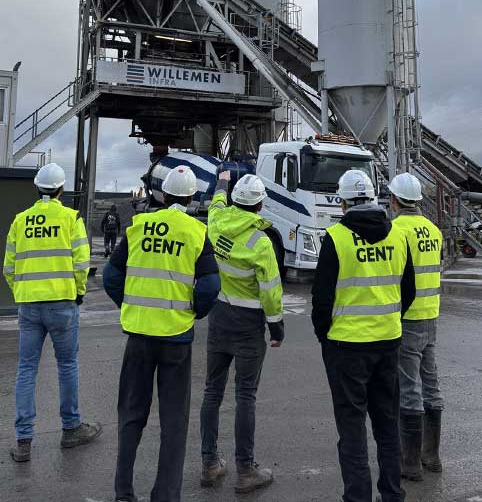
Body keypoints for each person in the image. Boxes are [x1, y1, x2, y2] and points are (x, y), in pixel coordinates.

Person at [103, 164, 220, 502]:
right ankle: (166, 495)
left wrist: (131, 307)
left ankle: (123, 492)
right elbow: (211, 284)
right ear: (192, 197)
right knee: (173, 421)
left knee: (130, 416)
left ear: (162, 194)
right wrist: (193, 311)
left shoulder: (138, 227)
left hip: (138, 337)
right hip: (176, 340)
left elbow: (111, 277)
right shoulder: (196, 231)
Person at [311, 169, 416, 502]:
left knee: (352, 427)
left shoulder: (336, 237)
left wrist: (326, 337)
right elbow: (408, 291)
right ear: (373, 198)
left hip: (346, 347)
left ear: (343, 203)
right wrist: (388, 320)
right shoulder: (397, 236)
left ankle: (357, 497)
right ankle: (393, 494)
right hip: (388, 343)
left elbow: (321, 301)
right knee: (387, 424)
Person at [2, 162, 102, 463]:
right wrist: (79, 291)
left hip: (29, 306)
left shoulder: (20, 220)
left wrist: (23, 292)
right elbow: (81, 263)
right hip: (62, 304)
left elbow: (9, 268)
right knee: (67, 365)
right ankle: (71, 429)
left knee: (26, 370)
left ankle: (23, 442)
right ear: (61, 189)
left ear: (36, 187)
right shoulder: (71, 218)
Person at [199, 171, 284, 494]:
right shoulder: (260, 243)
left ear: (235, 201)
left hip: (219, 317)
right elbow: (271, 291)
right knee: (245, 396)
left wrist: (222, 181)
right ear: (261, 205)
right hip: (248, 326)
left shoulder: (217, 221)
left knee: (211, 392)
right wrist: (276, 327)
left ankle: (209, 464)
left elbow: (217, 202)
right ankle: (246, 470)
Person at [389, 173, 444, 481]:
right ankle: (431, 456)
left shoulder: (396, 230)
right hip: (430, 315)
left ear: (395, 200)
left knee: (409, 387)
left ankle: (409, 464)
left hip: (407, 317)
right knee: (430, 384)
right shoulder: (433, 230)